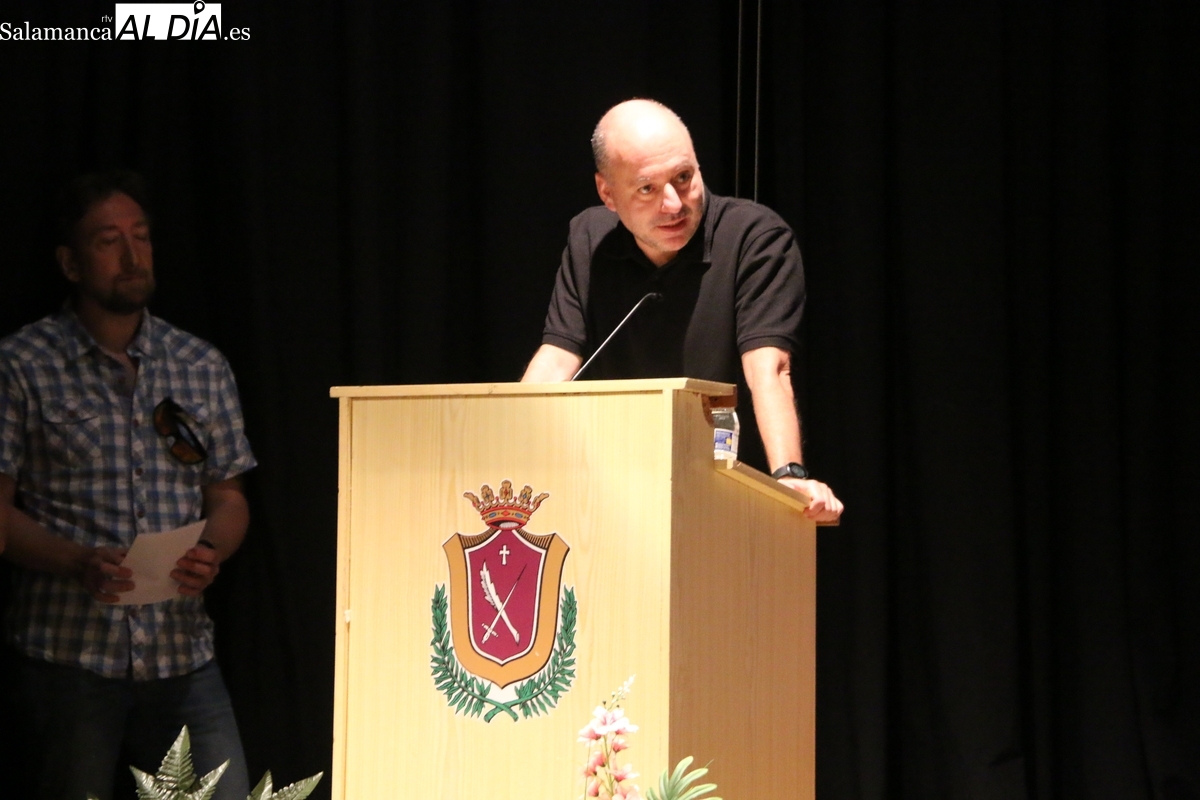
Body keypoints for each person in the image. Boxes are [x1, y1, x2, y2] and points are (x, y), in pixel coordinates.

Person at [0, 171, 255, 800]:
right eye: (109, 241)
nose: (132, 255)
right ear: (71, 263)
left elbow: (228, 497)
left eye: (141, 237)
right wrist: (75, 561)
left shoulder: (200, 364)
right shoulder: (21, 364)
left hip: (181, 655)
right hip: (70, 659)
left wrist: (211, 551)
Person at [522, 99, 843, 522]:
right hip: (614, 493)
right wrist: (506, 450)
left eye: (684, 177)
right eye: (647, 189)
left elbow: (769, 369)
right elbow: (557, 358)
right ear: (607, 193)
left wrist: (788, 475)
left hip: (726, 492)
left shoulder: (754, 238)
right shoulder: (590, 238)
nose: (674, 204)